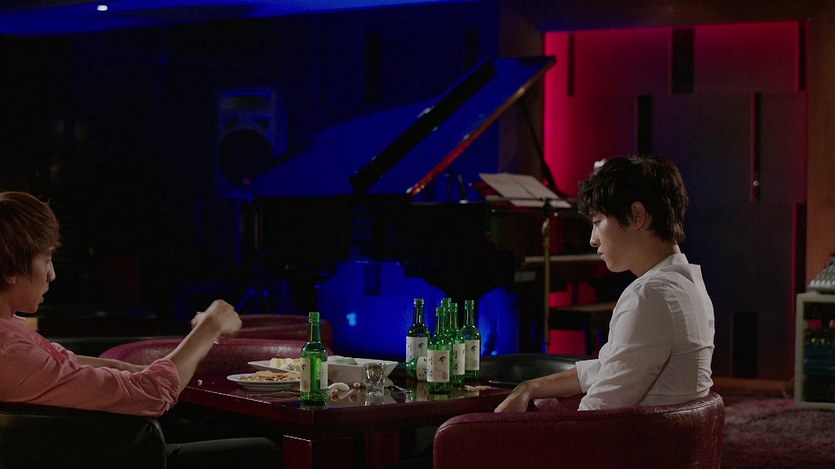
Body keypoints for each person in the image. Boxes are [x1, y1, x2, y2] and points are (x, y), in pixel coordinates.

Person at [0, 191, 280, 468]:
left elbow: (67, 365)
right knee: (265, 451)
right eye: (46, 259)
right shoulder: (10, 352)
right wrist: (211, 326)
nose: (52, 274)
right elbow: (154, 394)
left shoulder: (10, 331)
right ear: (10, 269)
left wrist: (138, 368)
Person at [495, 154, 715, 412]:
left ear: (636, 216)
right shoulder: (687, 283)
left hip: (637, 437)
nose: (593, 239)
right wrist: (530, 386)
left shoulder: (650, 296)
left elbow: (596, 413)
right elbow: (612, 366)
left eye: (598, 222)